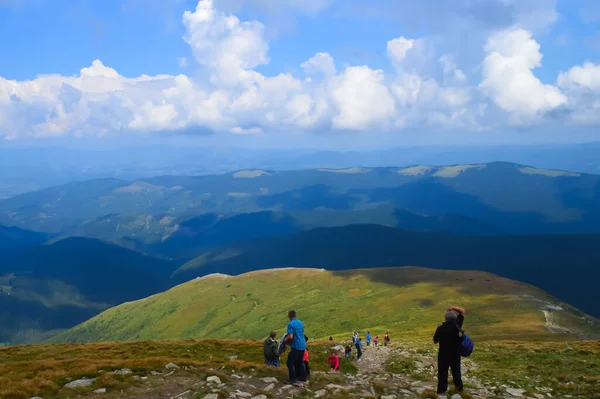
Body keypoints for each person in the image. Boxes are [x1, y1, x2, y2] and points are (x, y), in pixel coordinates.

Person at [433, 307, 467, 394]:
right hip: (455, 354)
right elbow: (462, 311)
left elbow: (435, 341)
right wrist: (452, 307)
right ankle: (459, 390)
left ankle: (441, 391)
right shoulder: (456, 326)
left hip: (443, 355)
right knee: (456, 373)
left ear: (445, 318)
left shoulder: (440, 328)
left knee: (442, 374)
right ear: (455, 319)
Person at [284, 310, 307, 384]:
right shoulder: (300, 322)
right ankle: (303, 377)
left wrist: (284, 340)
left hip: (296, 346)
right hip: (303, 345)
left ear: (289, 316)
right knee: (301, 361)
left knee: (290, 362)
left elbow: (290, 337)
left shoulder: (290, 324)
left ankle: (292, 379)